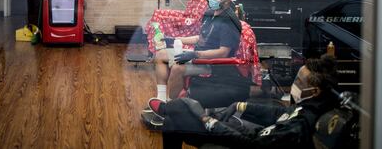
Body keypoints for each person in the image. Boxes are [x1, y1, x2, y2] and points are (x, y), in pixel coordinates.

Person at [145, 55, 339, 149]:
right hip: (251, 133)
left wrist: (213, 125)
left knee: (181, 112)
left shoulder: (302, 125)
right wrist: (241, 105)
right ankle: (168, 110)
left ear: (314, 91)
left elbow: (253, 144)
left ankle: (167, 109)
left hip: (245, 142)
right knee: (177, 116)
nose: (293, 84)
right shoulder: (310, 105)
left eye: (298, 81)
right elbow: (279, 114)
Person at [152, 0, 241, 102]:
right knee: (161, 55)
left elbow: (223, 52)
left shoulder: (229, 22)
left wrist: (195, 54)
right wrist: (175, 40)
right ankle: (161, 99)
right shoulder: (210, 14)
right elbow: (201, 38)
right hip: (198, 55)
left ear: (227, 0)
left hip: (214, 64)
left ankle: (170, 106)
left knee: (177, 68)